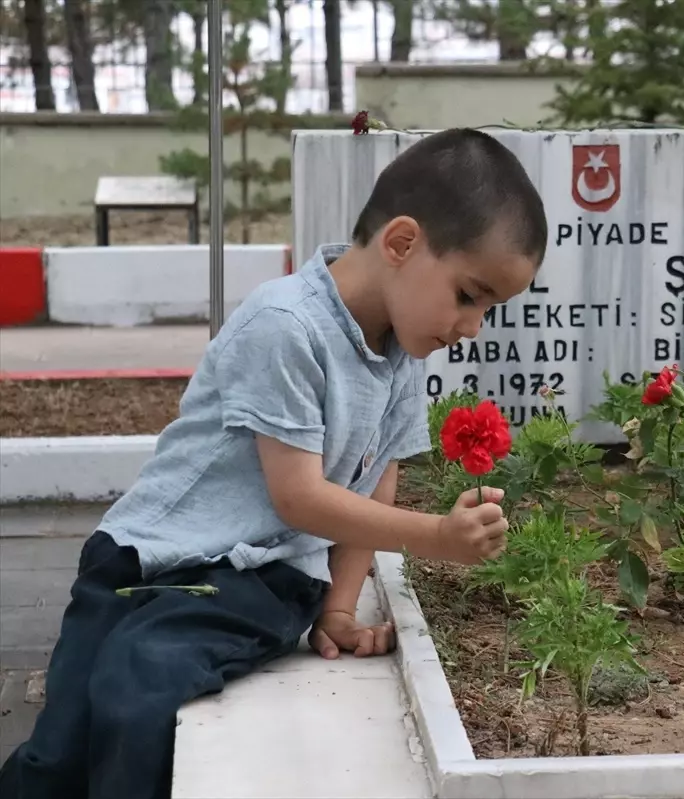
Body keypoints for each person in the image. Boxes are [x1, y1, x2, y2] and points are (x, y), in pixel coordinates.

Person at [0, 127, 548, 799]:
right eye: (469, 295)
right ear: (401, 243)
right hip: (139, 557)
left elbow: (375, 480)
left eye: (489, 308)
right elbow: (301, 497)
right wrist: (434, 535)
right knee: (56, 754)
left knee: (135, 688)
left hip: (251, 579)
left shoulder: (402, 355)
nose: (473, 327)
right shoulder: (286, 325)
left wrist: (339, 606)